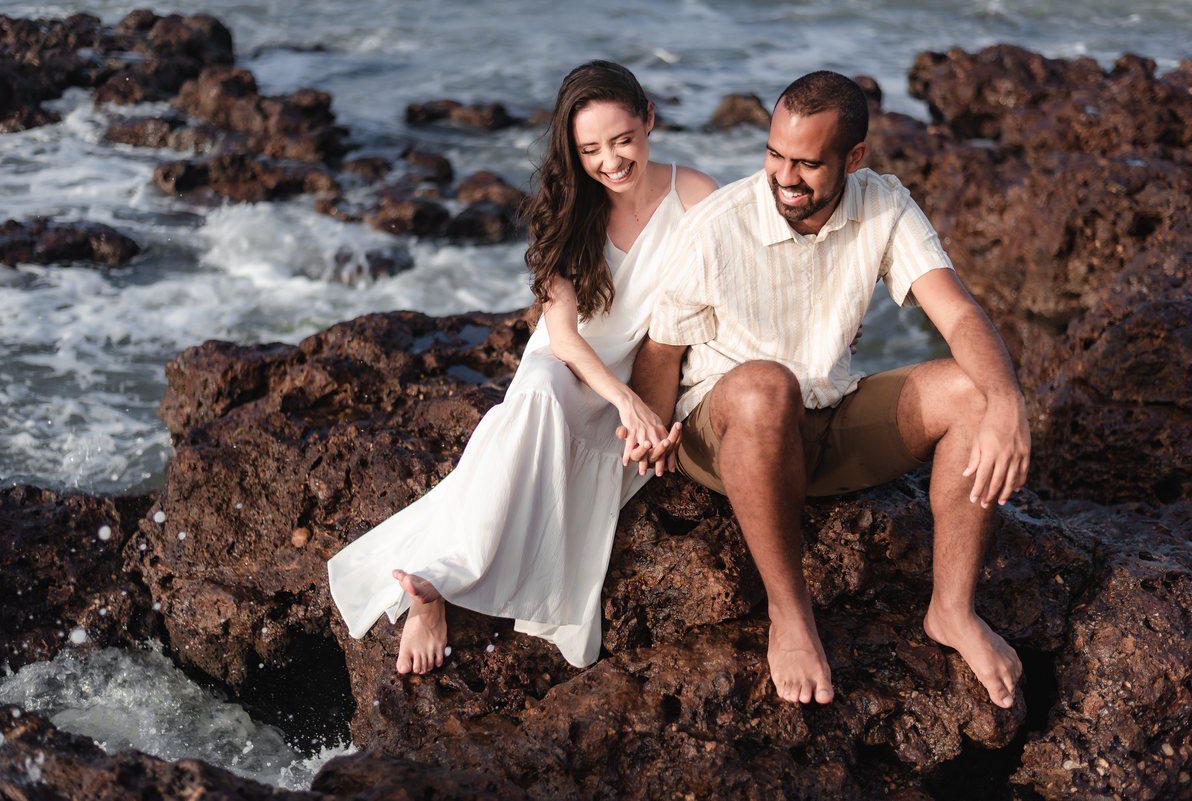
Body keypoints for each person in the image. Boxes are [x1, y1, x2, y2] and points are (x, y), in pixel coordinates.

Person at [631, 70, 1029, 710]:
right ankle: (790, 614)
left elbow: (955, 314)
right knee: (767, 387)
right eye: (775, 154)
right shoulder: (716, 226)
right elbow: (661, 352)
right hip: (732, 431)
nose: (785, 176)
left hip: (828, 419)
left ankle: (952, 611)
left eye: (808, 163)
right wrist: (648, 438)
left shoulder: (885, 204)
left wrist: (1009, 402)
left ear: (855, 158)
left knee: (975, 393)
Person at [327, 60, 717, 674]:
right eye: (591, 149)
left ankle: (445, 580)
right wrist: (625, 402)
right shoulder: (566, 211)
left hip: (644, 375)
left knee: (529, 437)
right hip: (572, 369)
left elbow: (739, 288)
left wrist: (654, 403)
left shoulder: (696, 195)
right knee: (534, 392)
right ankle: (434, 586)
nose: (611, 162)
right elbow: (561, 336)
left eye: (623, 140)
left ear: (649, 120)